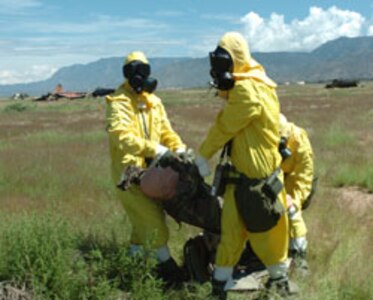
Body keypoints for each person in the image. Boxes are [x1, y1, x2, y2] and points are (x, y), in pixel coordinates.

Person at [194, 32, 294, 299]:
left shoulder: (248, 90)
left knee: (264, 234)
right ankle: (220, 288)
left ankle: (279, 285)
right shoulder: (256, 83)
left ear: (235, 60)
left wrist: (202, 156)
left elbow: (226, 126)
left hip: (255, 183)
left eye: (222, 61)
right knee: (232, 235)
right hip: (241, 180)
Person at [105, 51, 187, 287]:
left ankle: (131, 266)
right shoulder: (118, 102)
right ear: (126, 74)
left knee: (143, 223)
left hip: (152, 174)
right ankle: (167, 270)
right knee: (154, 224)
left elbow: (166, 131)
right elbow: (122, 136)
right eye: (133, 70)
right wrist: (156, 150)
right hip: (128, 175)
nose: (140, 75)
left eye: (144, 70)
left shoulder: (154, 102)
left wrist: (178, 147)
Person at [279, 113, 315, 274]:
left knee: (293, 212)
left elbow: (304, 176)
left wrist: (295, 199)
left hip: (294, 179)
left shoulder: (299, 141)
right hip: (273, 176)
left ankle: (299, 256)